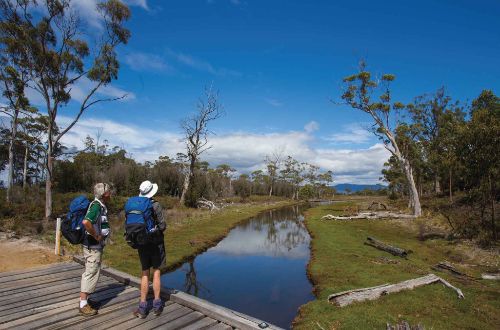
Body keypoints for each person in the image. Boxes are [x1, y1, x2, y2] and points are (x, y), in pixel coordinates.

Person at [133, 180, 167, 318]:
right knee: (157, 272)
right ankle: (157, 305)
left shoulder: (135, 206)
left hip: (142, 244)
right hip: (156, 243)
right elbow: (163, 226)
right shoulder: (156, 205)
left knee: (145, 273)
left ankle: (142, 307)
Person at [79, 183, 111, 316]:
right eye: (109, 192)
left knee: (92, 271)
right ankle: (83, 304)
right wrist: (96, 235)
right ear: (104, 194)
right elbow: (86, 222)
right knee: (90, 272)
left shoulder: (100, 205)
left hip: (95, 246)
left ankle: (87, 299)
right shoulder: (97, 206)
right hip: (92, 246)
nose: (111, 194)